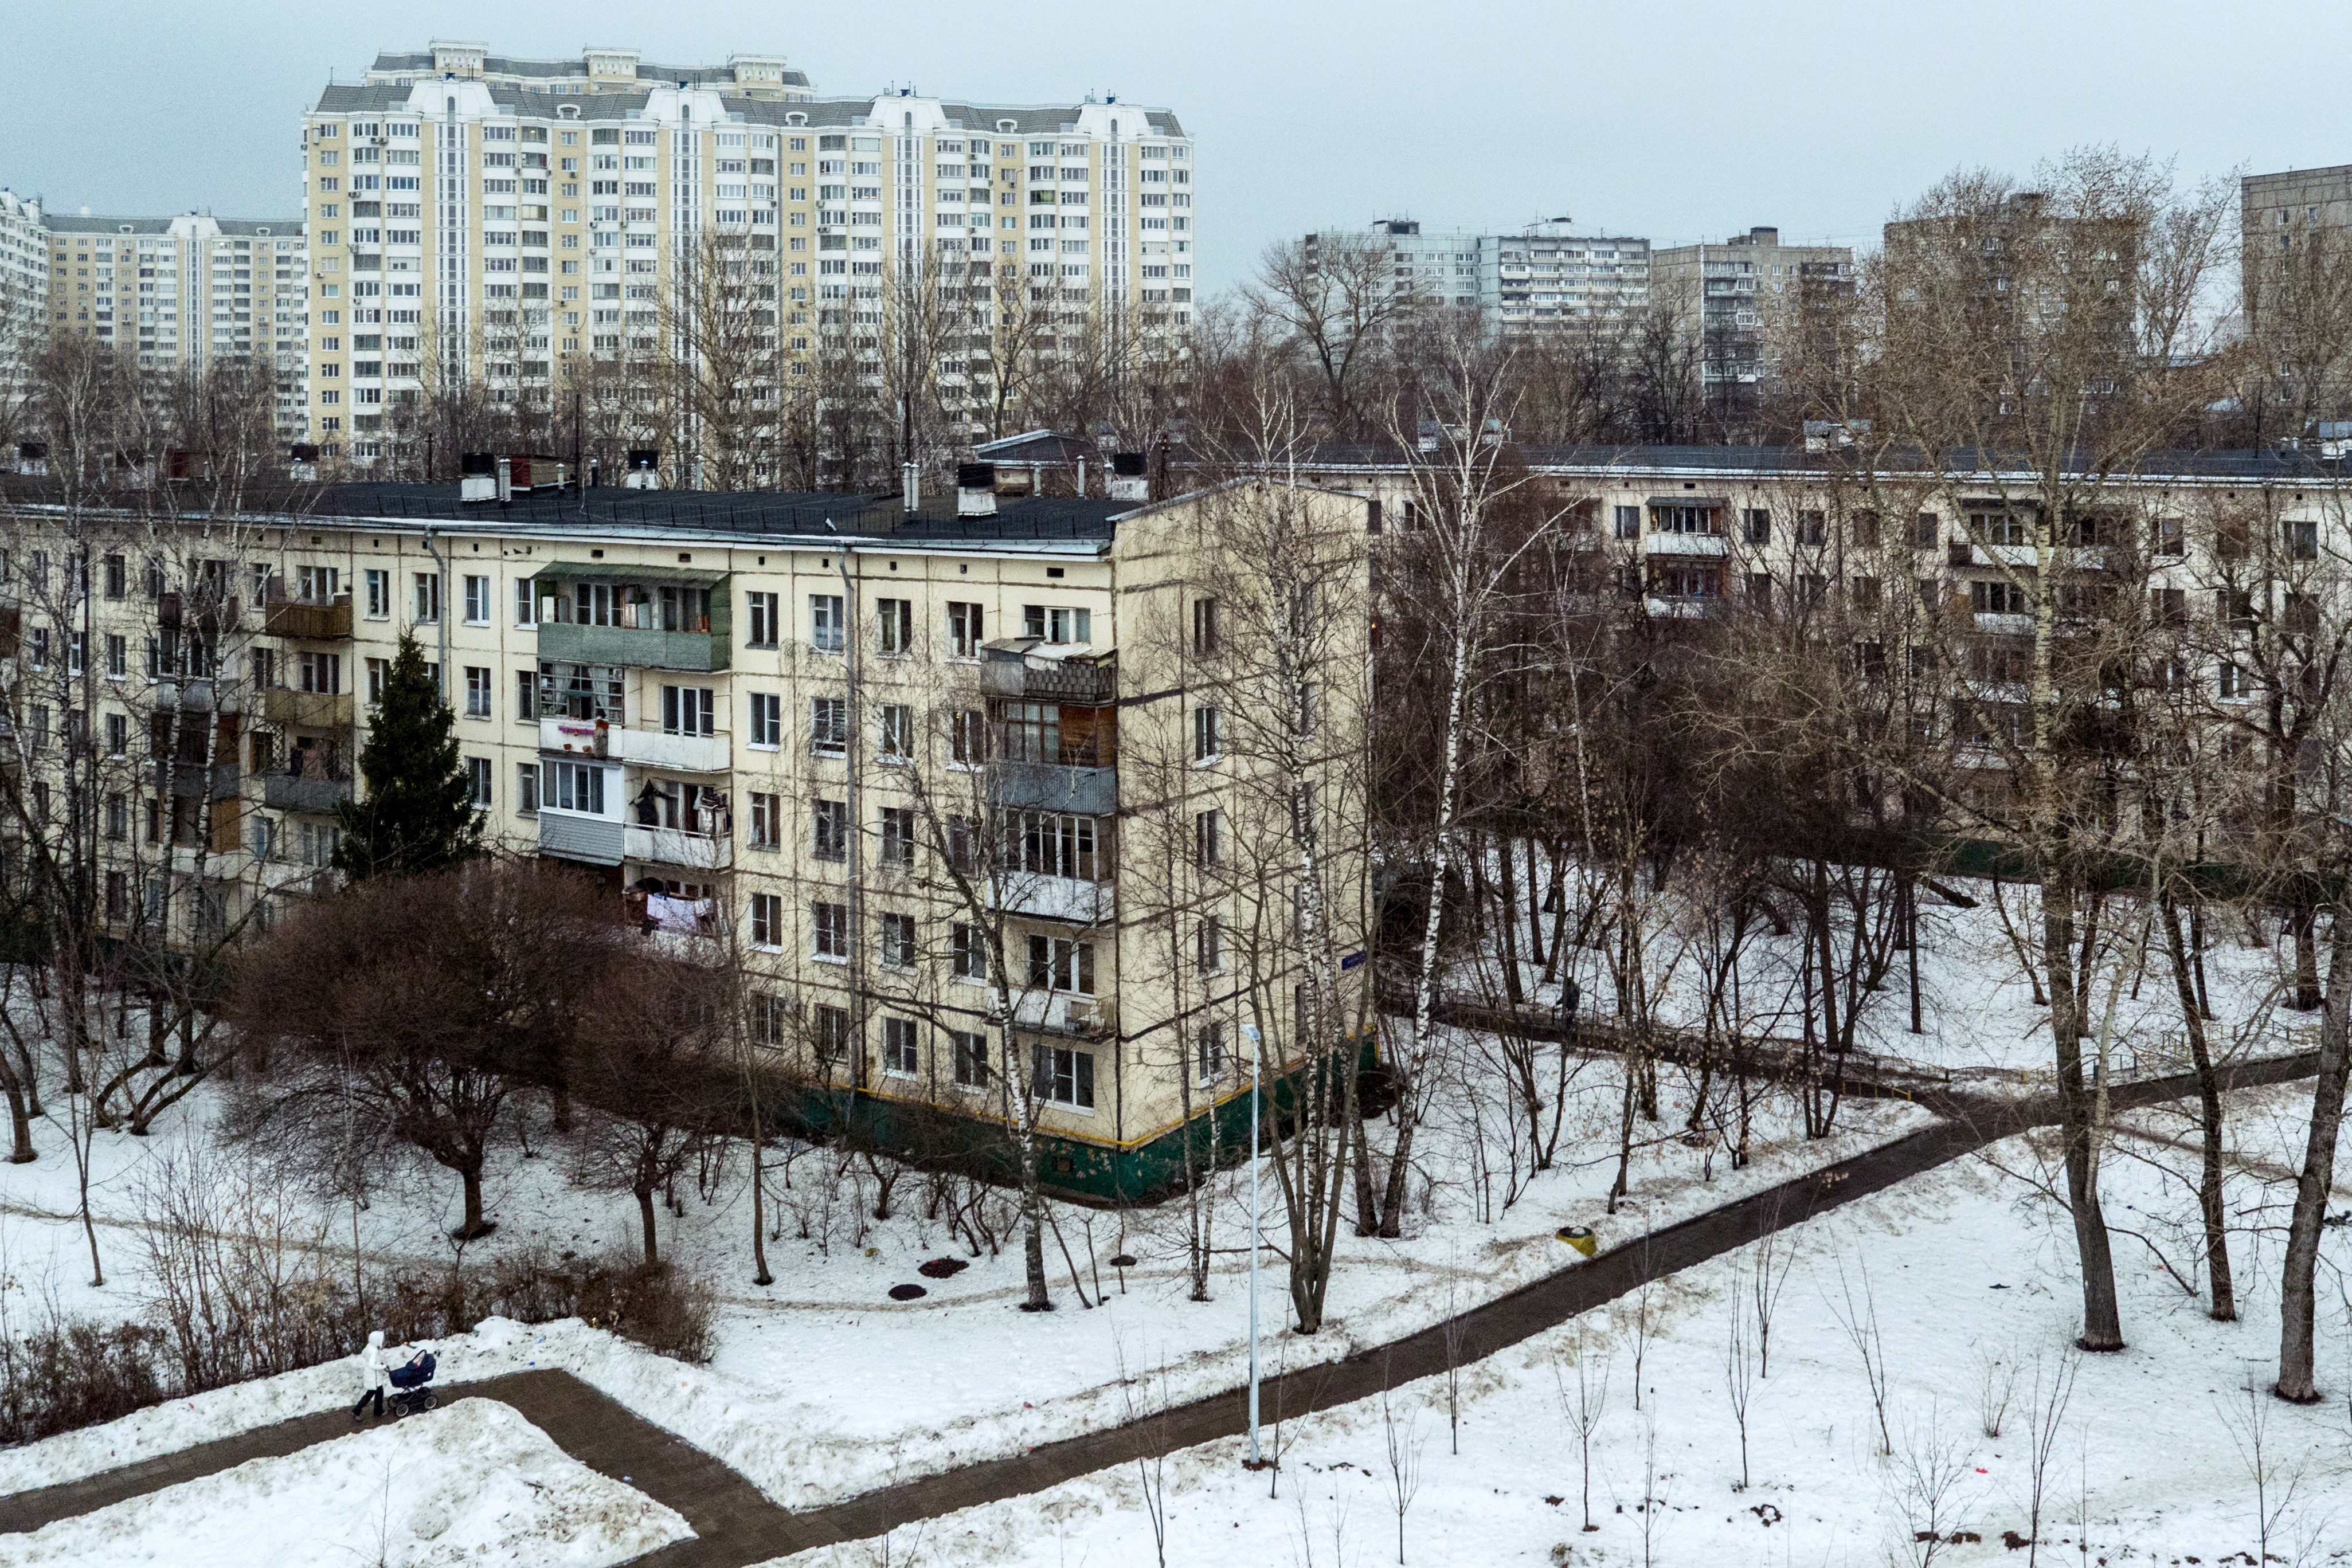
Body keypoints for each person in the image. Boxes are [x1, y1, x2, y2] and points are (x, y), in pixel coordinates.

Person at [351, 1329, 389, 1421]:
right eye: (381, 1341)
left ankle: (358, 1410)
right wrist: (383, 1366)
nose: (382, 1342)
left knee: (369, 1395)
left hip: (370, 1376)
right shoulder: (374, 1352)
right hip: (375, 1379)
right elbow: (372, 1365)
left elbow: (364, 1355)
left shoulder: (369, 1347)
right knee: (377, 1395)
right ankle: (376, 1412)